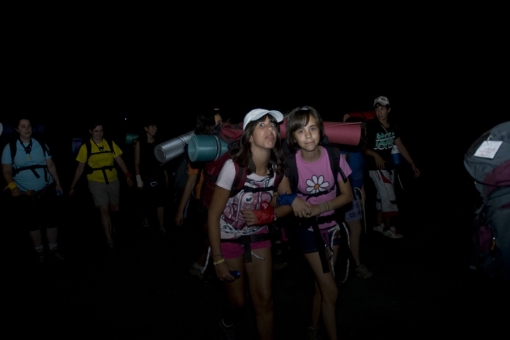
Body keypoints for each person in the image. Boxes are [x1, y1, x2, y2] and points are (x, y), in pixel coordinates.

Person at [207, 108, 306, 340]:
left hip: (259, 237)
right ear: (250, 136)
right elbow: (213, 216)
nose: (269, 129)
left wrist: (268, 217)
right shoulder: (233, 168)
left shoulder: (277, 170)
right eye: (261, 125)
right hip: (229, 238)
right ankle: (228, 321)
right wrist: (218, 260)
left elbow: (287, 203)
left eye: (272, 125)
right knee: (239, 302)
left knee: (265, 301)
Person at [283, 106, 353, 340]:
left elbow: (347, 195)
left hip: (332, 226)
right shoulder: (289, 164)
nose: (309, 135)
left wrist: (321, 207)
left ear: (320, 130)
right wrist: (292, 201)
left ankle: (313, 328)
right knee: (331, 289)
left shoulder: (335, 157)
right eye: (301, 131)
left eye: (313, 128)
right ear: (293, 136)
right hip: (306, 231)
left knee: (321, 284)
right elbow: (282, 196)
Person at [1, 116, 65, 263]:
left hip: (46, 189)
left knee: (52, 221)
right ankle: (40, 252)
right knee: (33, 223)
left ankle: (54, 249)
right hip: (26, 194)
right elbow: (6, 171)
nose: (27, 129)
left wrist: (58, 182)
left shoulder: (41, 144)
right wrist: (12, 186)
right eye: (23, 126)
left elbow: (51, 165)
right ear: (17, 129)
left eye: (29, 125)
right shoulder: (10, 147)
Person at [68, 122, 133, 250]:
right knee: (104, 210)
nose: (99, 133)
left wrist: (127, 175)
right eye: (96, 131)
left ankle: (112, 224)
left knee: (115, 209)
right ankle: (109, 238)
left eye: (101, 131)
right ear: (91, 131)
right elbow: (80, 168)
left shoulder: (110, 143)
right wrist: (72, 186)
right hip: (95, 181)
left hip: (113, 179)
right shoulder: (86, 147)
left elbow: (119, 160)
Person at [174, 110, 222, 280]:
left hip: (225, 197)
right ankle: (205, 260)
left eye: (221, 122)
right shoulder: (199, 147)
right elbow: (191, 180)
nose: (220, 126)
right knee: (209, 232)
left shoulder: (227, 143)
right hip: (204, 199)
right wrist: (181, 210)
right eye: (216, 123)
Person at [365, 96, 420, 238]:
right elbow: (361, 147)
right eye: (377, 108)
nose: (379, 112)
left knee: (381, 196)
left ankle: (378, 225)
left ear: (389, 110)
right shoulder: (371, 126)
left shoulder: (394, 126)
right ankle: (388, 228)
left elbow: (400, 145)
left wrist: (412, 163)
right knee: (388, 196)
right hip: (375, 168)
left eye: (382, 108)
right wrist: (375, 155)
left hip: (389, 166)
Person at [341, 115, 373, 279]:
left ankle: (349, 261)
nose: (364, 130)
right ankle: (356, 265)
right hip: (347, 195)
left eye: (364, 127)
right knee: (355, 229)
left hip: (357, 191)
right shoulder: (344, 148)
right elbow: (342, 174)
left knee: (354, 230)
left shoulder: (359, 146)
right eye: (361, 127)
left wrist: (363, 190)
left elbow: (359, 171)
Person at [134, 119, 169, 235]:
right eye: (152, 126)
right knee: (146, 203)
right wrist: (138, 180)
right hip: (145, 178)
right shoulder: (140, 143)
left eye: (156, 126)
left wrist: (166, 175)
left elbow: (162, 161)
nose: (155, 128)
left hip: (158, 177)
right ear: (146, 128)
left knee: (160, 203)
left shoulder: (159, 142)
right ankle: (145, 217)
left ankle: (161, 226)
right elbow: (137, 163)